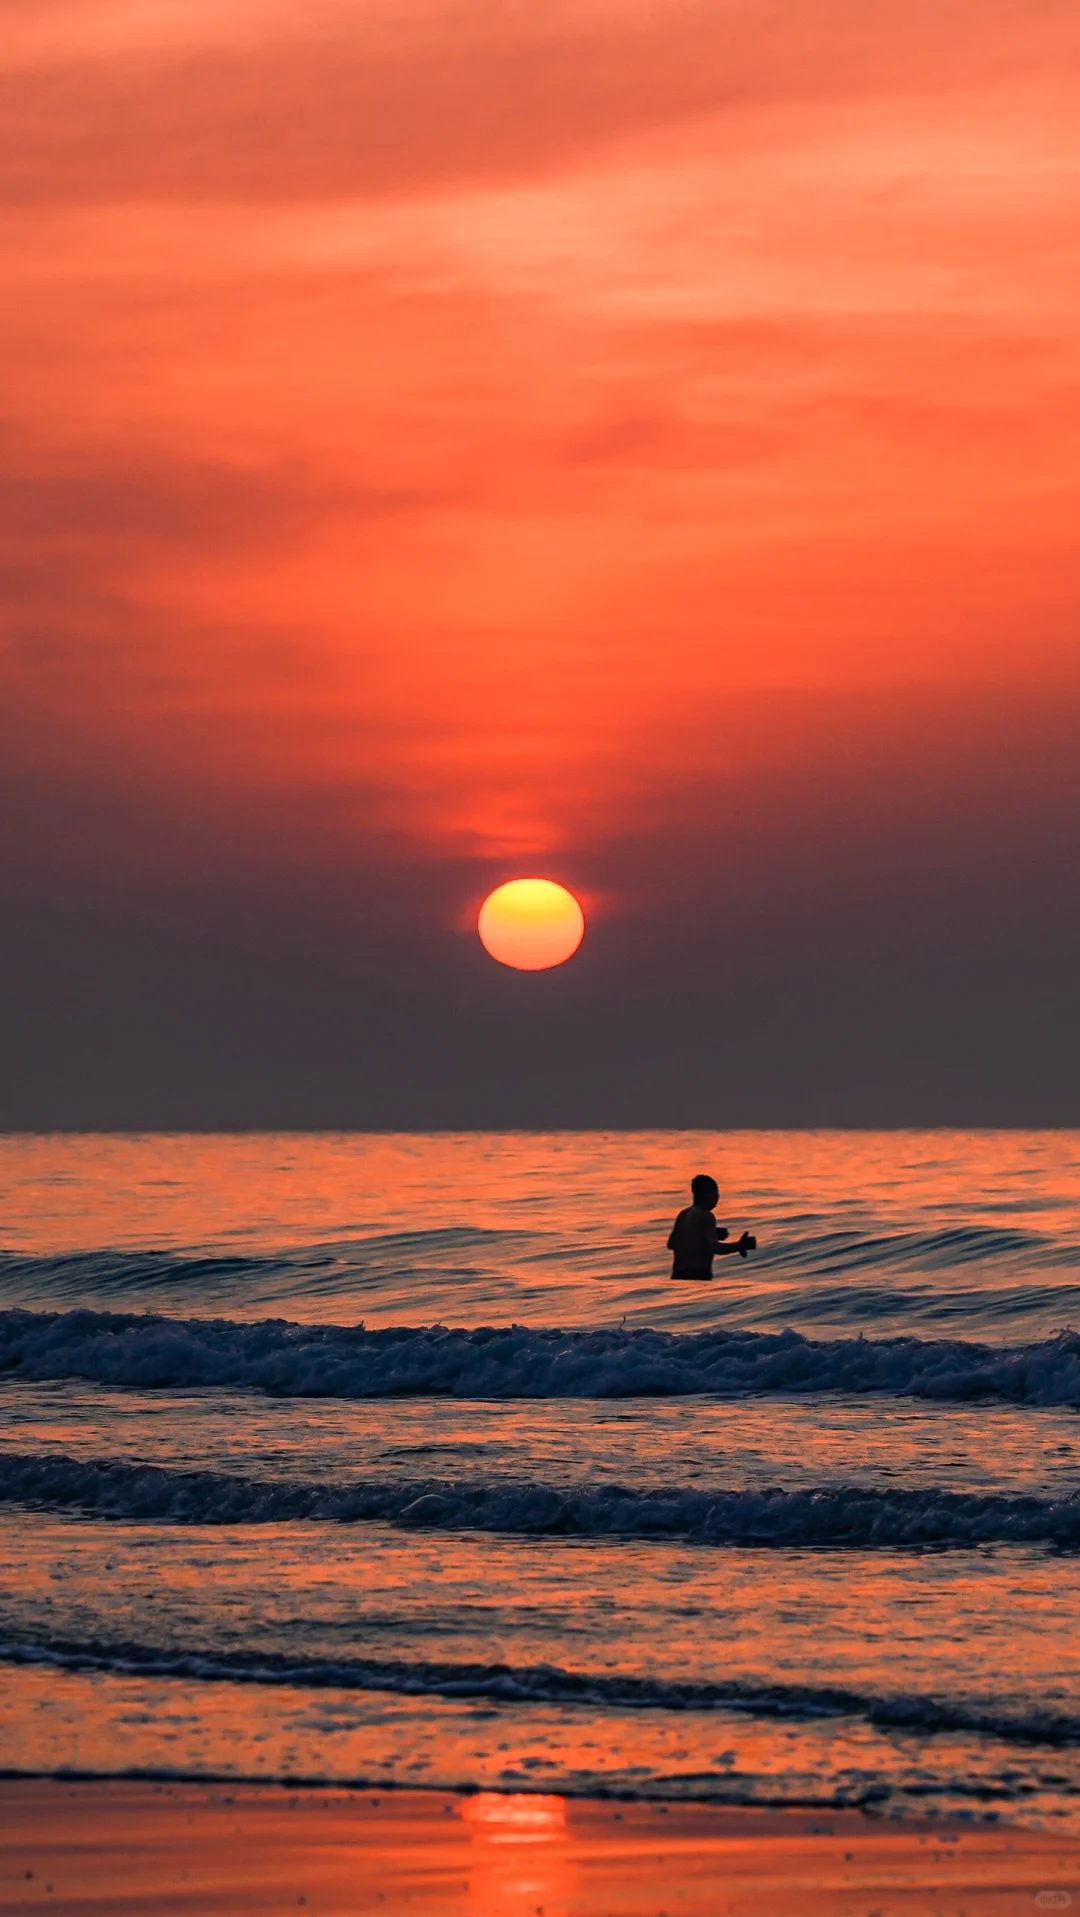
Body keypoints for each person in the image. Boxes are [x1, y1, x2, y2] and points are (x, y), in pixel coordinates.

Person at [667, 1174, 756, 1281]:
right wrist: (740, 1245)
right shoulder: (706, 1216)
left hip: (677, 1275)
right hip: (697, 1276)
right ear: (707, 1195)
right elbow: (714, 1248)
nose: (718, 1197)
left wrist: (708, 1234)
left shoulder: (683, 1214)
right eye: (716, 1193)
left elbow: (671, 1244)